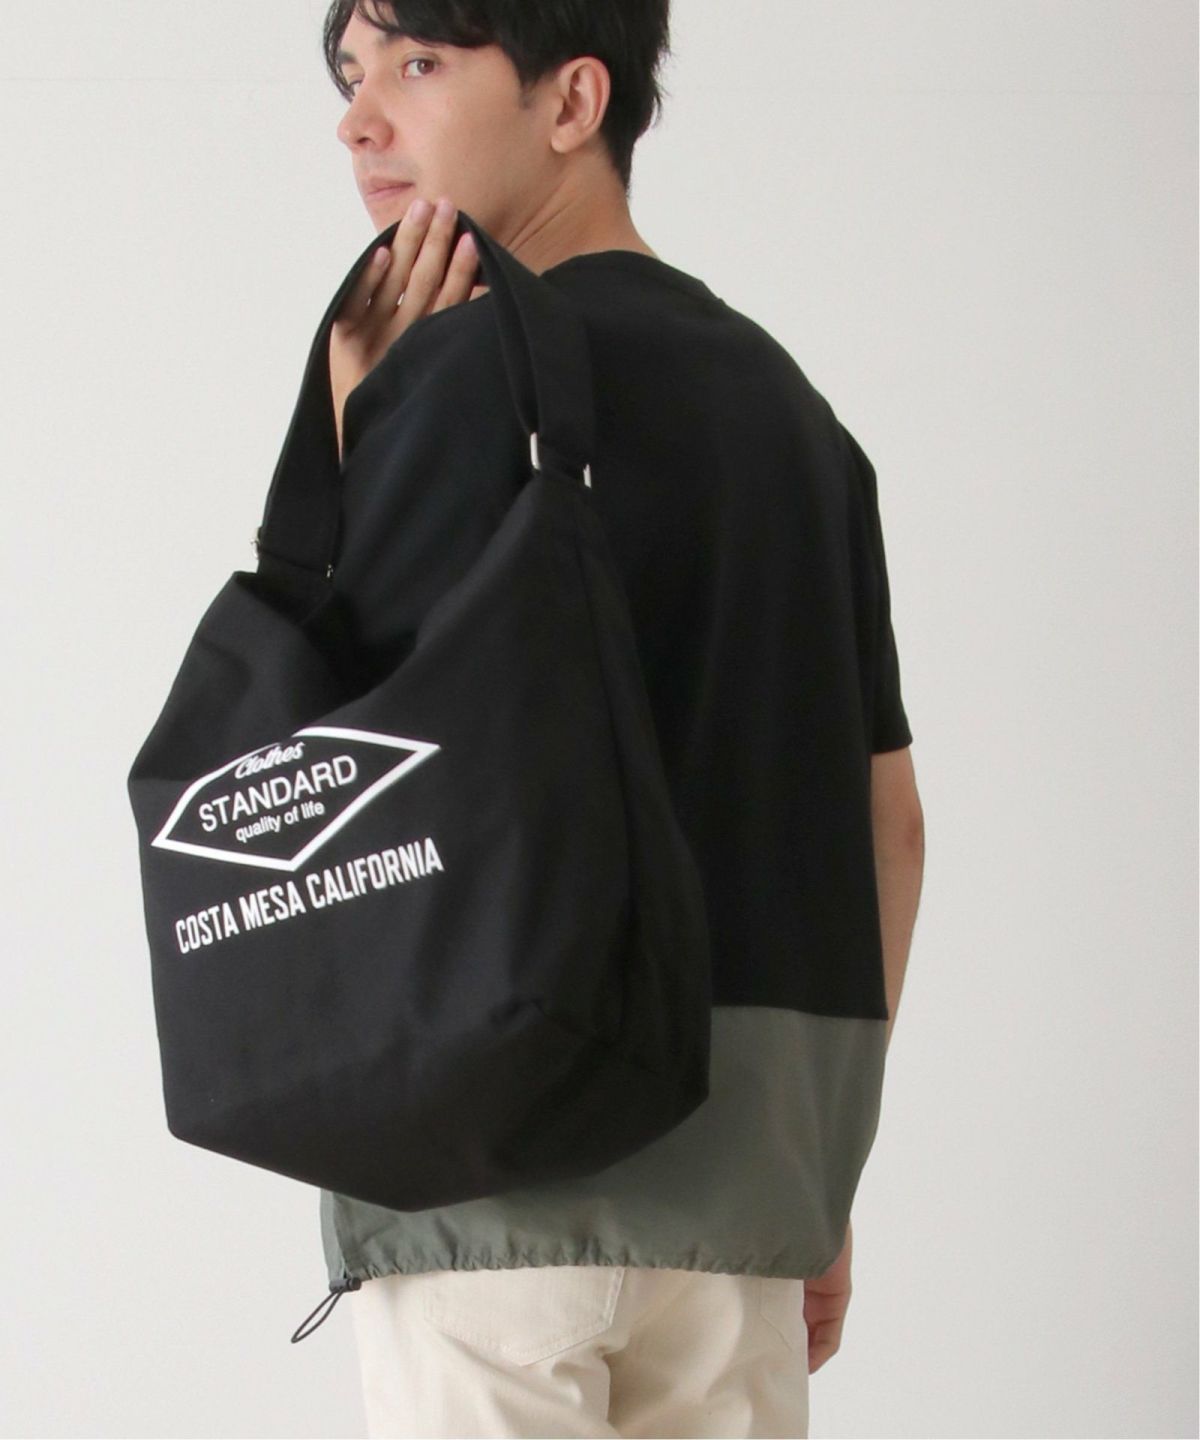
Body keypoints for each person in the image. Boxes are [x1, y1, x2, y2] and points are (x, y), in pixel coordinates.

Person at [309, 2, 925, 1435]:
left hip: (488, 1182)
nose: (359, 120)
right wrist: (820, 1178)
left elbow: (349, 772)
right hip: (739, 1209)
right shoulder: (798, 422)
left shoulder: (445, 382)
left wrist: (355, 427)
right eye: (350, 76)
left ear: (572, 101)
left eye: (418, 63)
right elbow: (887, 822)